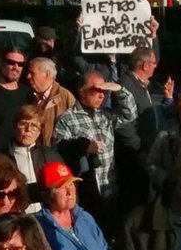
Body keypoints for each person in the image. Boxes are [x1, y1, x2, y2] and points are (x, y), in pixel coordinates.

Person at [53, 69, 138, 213]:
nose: (101, 95)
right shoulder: (67, 118)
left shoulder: (105, 115)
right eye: (96, 90)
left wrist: (119, 90)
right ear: (82, 92)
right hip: (86, 191)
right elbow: (59, 149)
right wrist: (84, 147)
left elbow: (130, 114)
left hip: (110, 187)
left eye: (104, 91)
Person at [34, 161, 111, 250]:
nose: (69, 191)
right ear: (46, 194)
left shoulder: (85, 218)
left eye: (71, 184)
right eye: (61, 187)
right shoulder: (38, 227)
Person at [8, 104, 59, 211]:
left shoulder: (51, 156)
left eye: (34, 126)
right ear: (15, 126)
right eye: (23, 124)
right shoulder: (3, 157)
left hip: (47, 213)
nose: (28, 129)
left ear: (40, 132)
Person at [26, 56, 76, 146]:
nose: (28, 76)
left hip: (56, 152)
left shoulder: (65, 97)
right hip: (36, 152)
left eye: (32, 73)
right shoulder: (30, 97)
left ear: (47, 74)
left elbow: (75, 129)